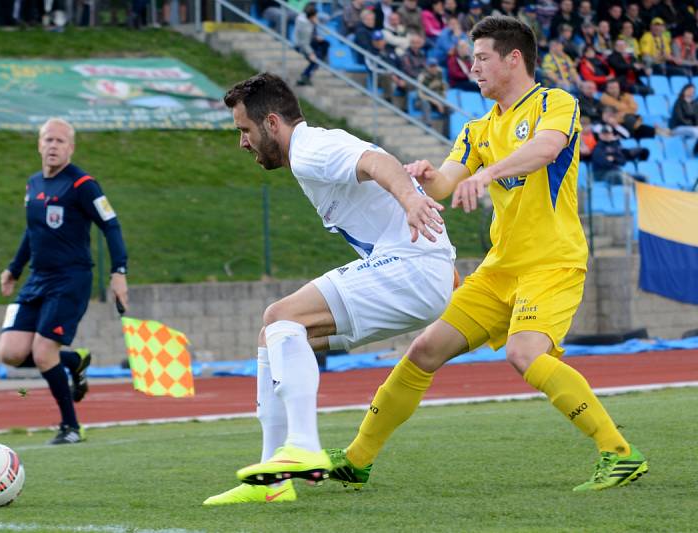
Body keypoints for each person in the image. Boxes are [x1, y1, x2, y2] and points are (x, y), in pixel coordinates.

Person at [323, 15, 648, 493]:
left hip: (553, 263)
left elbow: (545, 148)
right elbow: (448, 180)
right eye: (470, 58)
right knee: (424, 349)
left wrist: (487, 174)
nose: (470, 67)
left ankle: (620, 454)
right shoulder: (476, 129)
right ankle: (356, 459)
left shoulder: (555, 103)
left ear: (513, 59)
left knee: (523, 353)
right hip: (499, 270)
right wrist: (426, 175)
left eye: (480, 58)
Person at [203, 72, 456, 505]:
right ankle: (272, 485)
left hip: (412, 268)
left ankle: (301, 445)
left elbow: (378, 163)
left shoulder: (311, 149)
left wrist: (413, 201)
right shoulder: (307, 151)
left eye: (245, 130)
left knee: (281, 316)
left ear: (272, 124)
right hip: (418, 272)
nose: (242, 142)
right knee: (273, 337)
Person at [0, 118, 129, 446]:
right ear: (39, 144)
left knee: (43, 353)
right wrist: (14, 269)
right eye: (48, 140)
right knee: (9, 353)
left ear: (70, 147)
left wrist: (119, 272)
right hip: (36, 279)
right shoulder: (33, 184)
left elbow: (111, 225)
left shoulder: (83, 184)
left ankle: (71, 427)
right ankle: (72, 359)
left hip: (70, 279)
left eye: (60, 141)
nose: (53, 146)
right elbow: (33, 231)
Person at [295, 3, 329, 87]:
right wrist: (311, 53)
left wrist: (315, 37)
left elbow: (312, 33)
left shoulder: (309, 20)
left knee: (326, 44)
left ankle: (318, 63)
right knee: (316, 57)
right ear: (311, 17)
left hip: (310, 40)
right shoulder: (305, 27)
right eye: (315, 16)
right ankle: (305, 75)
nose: (316, 18)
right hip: (303, 45)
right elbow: (304, 43)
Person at [669, 83, 698, 156]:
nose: (691, 92)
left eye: (692, 91)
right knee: (695, 131)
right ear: (684, 90)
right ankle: (695, 151)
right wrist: (692, 125)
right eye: (689, 90)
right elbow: (679, 118)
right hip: (678, 127)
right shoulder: (679, 102)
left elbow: (696, 117)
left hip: (690, 127)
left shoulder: (694, 104)